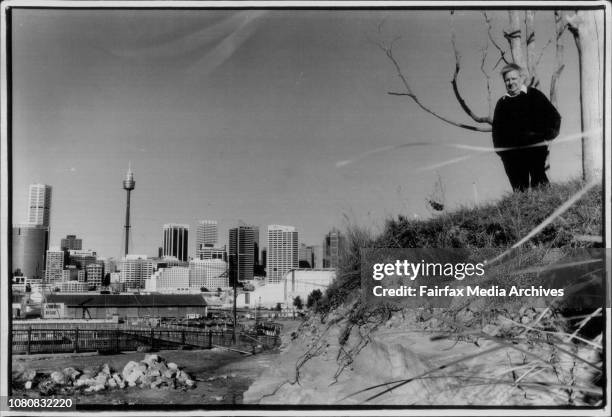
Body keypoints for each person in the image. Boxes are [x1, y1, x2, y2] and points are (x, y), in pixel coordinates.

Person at [492, 63, 561, 191]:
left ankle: (548, 208)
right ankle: (522, 210)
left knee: (540, 183)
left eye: (513, 79)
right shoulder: (502, 104)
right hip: (512, 156)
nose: (511, 82)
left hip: (535, 149)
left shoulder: (534, 95)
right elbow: (496, 133)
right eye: (507, 80)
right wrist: (503, 153)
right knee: (519, 190)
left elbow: (554, 116)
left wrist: (547, 135)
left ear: (521, 78)